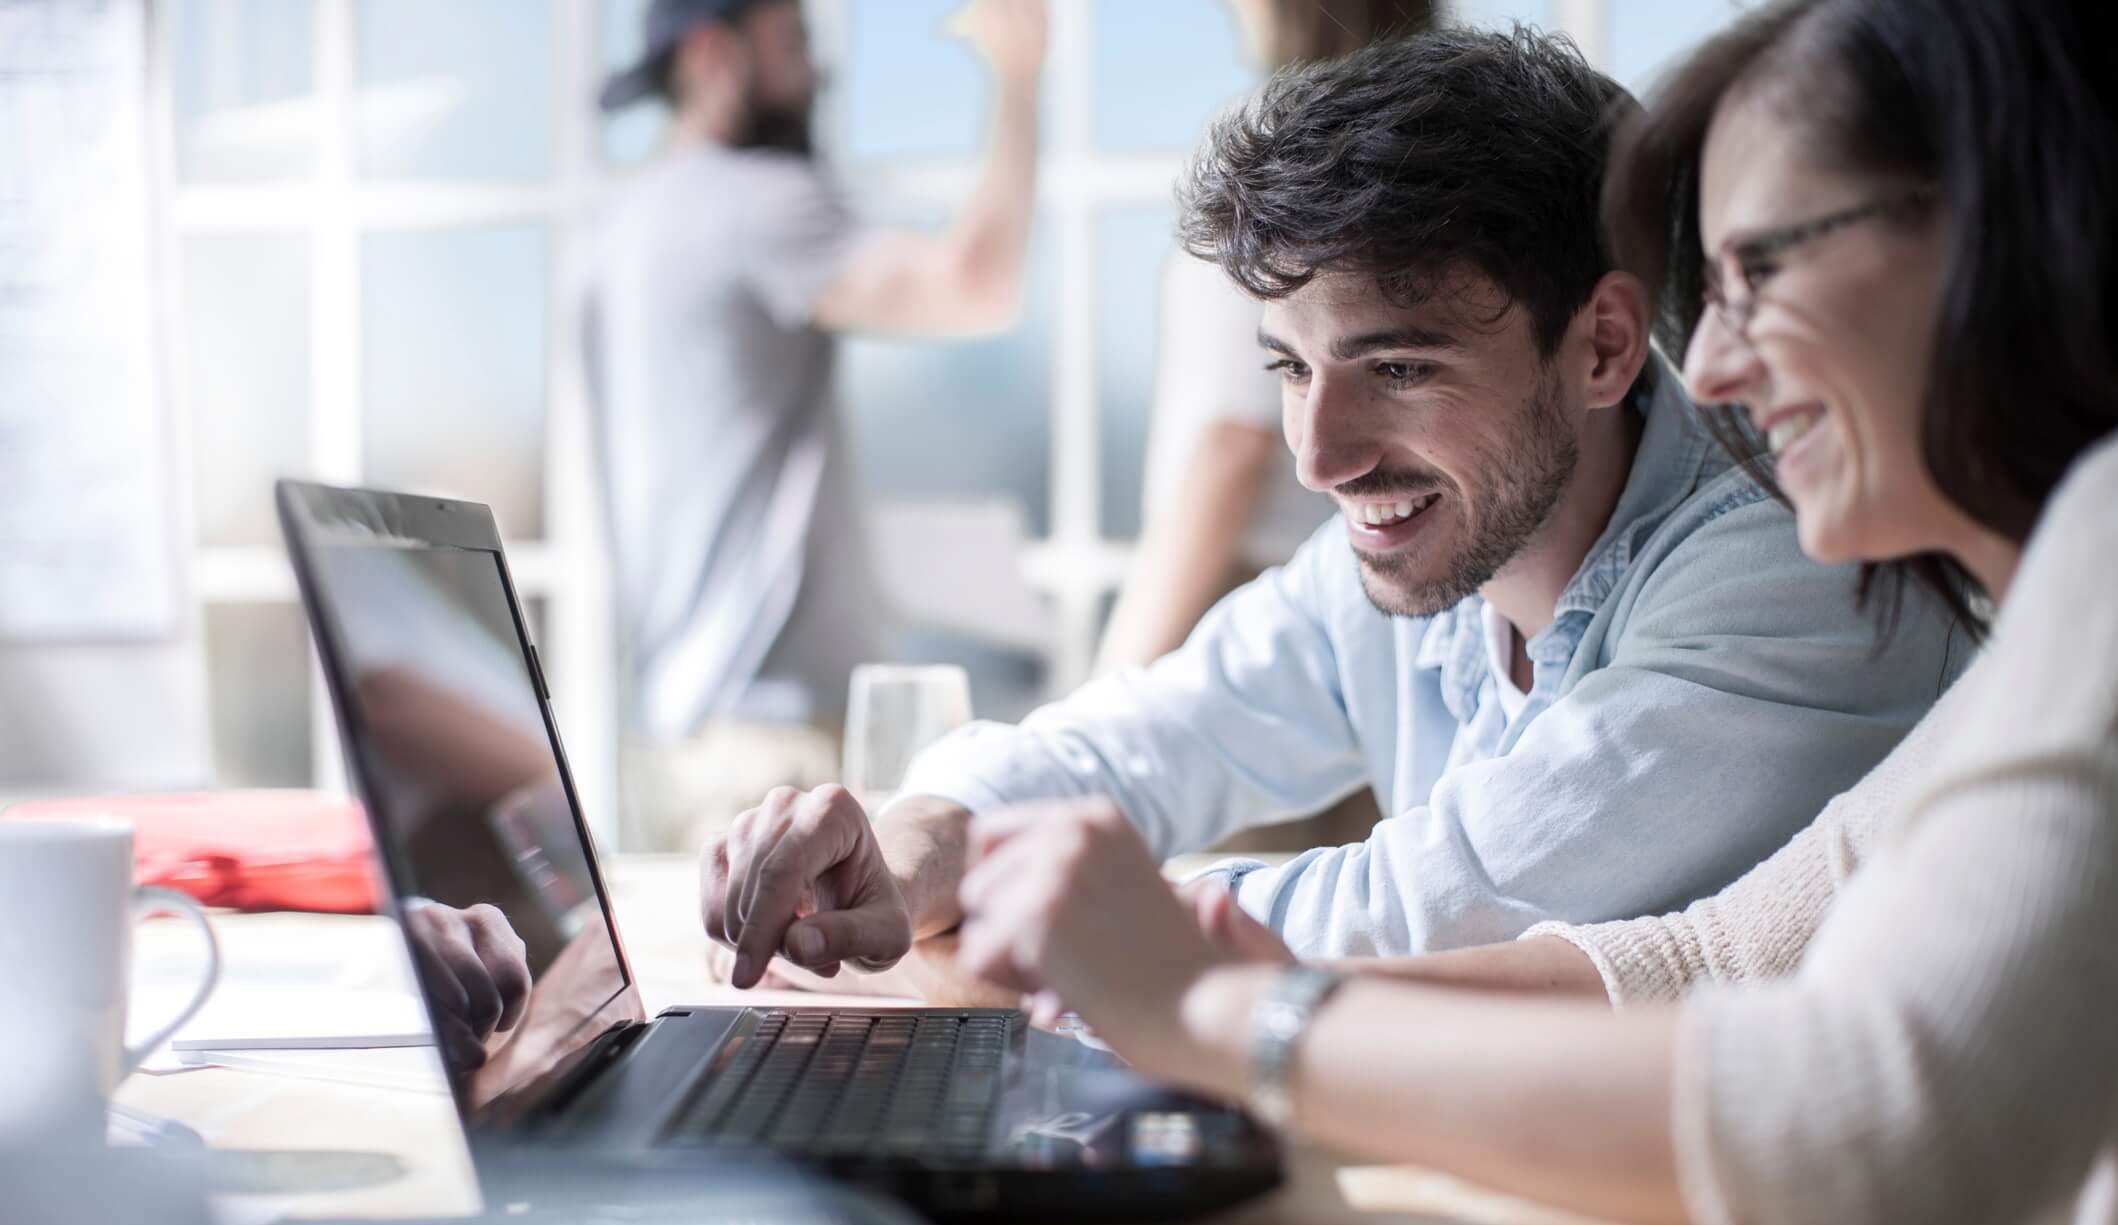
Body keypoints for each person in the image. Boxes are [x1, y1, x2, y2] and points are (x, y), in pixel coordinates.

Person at [949, 0, 2118, 1225]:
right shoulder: (2057, 597)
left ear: (1995, 228)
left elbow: (1853, 1132)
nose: (1726, 366)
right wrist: (1174, 970)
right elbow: (1706, 960)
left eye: (1763, 272)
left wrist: (1226, 1016)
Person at [698, 26, 1964, 997]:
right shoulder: (1424, 549)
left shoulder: (1794, 571)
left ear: (1602, 347)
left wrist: (1041, 893)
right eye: (1290, 369)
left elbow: (1422, 912)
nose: (1317, 456)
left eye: (1399, 370)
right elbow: (1139, 742)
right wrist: (924, 833)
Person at [589, 0, 1048, 852]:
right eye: (793, 41)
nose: (818, 70)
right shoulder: (755, 204)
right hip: (768, 743)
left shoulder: (622, 227)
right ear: (712, 54)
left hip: (674, 732)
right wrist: (1018, 79)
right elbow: (977, 285)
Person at [1096, 0, 1440, 675]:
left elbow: (1232, 444)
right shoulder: (1433, 142)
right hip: (1368, 579)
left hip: (1240, 591)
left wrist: (1114, 678)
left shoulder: (1279, 149)